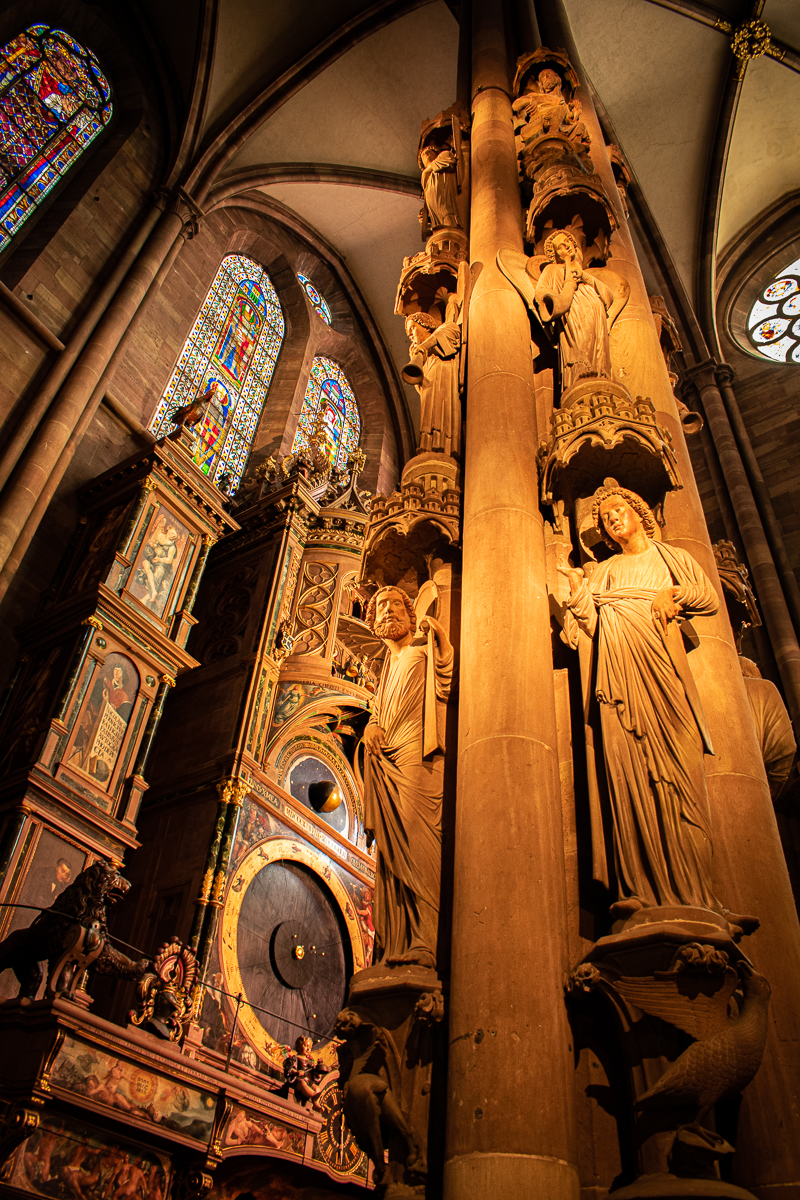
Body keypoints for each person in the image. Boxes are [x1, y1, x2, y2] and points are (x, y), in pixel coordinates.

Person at [559, 485, 756, 931]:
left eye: (620, 510)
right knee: (630, 780)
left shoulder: (671, 558)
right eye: (606, 517)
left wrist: (676, 596)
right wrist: (577, 593)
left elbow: (707, 595)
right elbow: (582, 628)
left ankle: (701, 895)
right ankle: (639, 891)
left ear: (641, 515)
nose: (613, 519)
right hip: (617, 683)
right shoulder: (604, 570)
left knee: (681, 779)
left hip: (662, 679)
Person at [361, 586, 453, 968]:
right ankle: (397, 941)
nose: (388, 611)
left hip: (417, 749)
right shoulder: (384, 668)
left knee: (417, 836)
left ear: (410, 614)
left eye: (396, 604)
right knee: (391, 849)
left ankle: (426, 940)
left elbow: (446, 675)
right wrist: (371, 727)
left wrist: (442, 638)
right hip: (388, 754)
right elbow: (379, 713)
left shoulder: (421, 649)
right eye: (381, 606)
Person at [534, 230, 613, 396]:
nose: (566, 247)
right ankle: (580, 375)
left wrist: (585, 277)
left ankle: (601, 373)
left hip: (594, 307)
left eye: (568, 243)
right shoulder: (552, 270)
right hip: (573, 308)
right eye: (560, 247)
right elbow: (541, 293)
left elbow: (609, 297)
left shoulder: (583, 272)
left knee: (597, 343)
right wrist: (563, 290)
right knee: (580, 340)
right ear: (555, 254)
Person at [402, 306, 461, 459]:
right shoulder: (421, 356)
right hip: (429, 384)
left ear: (425, 324)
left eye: (413, 329)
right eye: (408, 335)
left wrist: (423, 347)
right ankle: (427, 446)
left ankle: (444, 448)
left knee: (442, 410)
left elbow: (452, 332)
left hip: (443, 375)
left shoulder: (446, 328)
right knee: (429, 411)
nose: (411, 336)